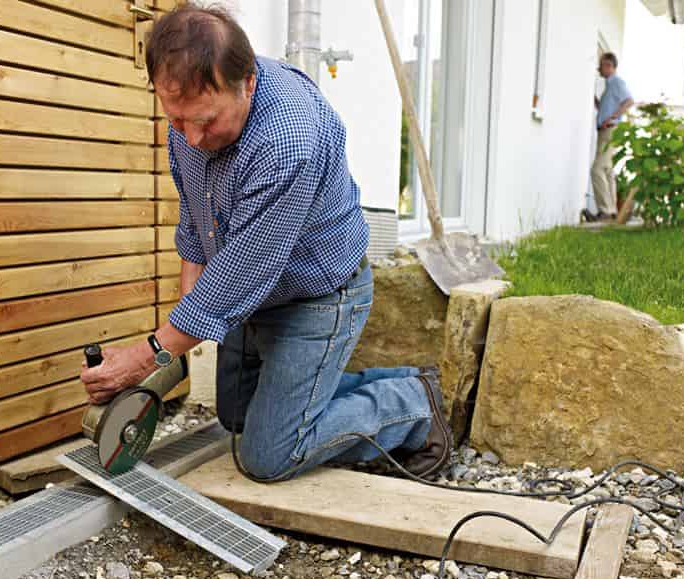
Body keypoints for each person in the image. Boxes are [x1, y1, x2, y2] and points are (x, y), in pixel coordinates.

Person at [79, 5, 451, 481]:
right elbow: (196, 222)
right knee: (234, 419)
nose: (191, 139)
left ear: (248, 83)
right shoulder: (191, 121)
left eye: (206, 122)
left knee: (269, 455)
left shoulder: (289, 138)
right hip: (256, 297)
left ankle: (412, 404)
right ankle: (353, 390)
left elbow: (238, 276)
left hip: (317, 296)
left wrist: (145, 356)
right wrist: (175, 332)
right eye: (176, 122)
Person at [588, 52, 634, 221]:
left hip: (610, 130)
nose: (598, 68)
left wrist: (613, 117)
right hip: (605, 130)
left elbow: (629, 101)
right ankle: (613, 210)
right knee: (607, 170)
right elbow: (607, 107)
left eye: (601, 65)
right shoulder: (609, 86)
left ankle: (605, 210)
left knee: (597, 169)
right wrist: (597, 103)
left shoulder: (616, 82)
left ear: (608, 65)